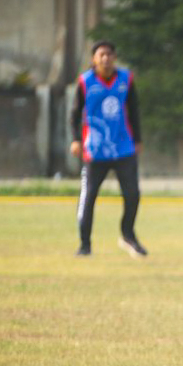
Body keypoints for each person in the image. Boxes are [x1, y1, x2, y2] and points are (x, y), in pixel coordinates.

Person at [69, 41, 148, 258]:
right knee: (89, 196)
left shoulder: (125, 79)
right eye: (101, 55)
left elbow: (133, 110)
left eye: (109, 54)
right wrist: (76, 140)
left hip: (123, 147)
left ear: (114, 57)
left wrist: (137, 139)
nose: (106, 58)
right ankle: (85, 245)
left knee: (132, 194)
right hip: (95, 150)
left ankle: (128, 235)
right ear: (94, 59)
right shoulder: (85, 81)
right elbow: (75, 114)